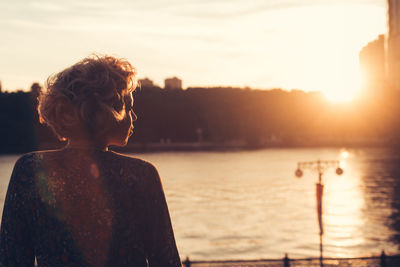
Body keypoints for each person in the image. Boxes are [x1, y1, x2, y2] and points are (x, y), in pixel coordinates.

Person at [0, 55, 182, 266]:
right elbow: (167, 260)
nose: (134, 117)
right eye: (128, 107)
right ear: (103, 112)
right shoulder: (140, 175)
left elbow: (11, 258)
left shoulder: (29, 169)